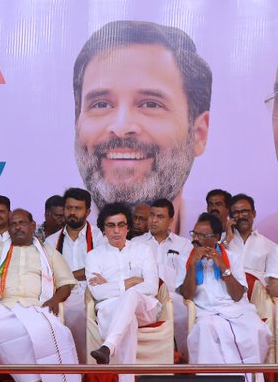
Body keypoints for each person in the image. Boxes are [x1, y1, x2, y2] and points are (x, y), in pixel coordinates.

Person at [72, 20, 212, 235]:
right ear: (77, 122)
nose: (121, 127)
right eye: (101, 104)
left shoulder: (211, 239)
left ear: (198, 134)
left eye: (150, 104)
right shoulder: (55, 244)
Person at [0, 209, 81, 382]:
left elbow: (66, 284)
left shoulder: (48, 253)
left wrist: (55, 300)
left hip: (36, 306)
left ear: (32, 225)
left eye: (22, 223)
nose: (17, 227)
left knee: (51, 330)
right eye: (13, 224)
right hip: (1, 306)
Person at [180, 213, 271, 382]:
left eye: (203, 236)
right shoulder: (186, 258)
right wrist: (192, 266)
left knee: (256, 330)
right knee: (205, 331)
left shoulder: (232, 257)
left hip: (237, 309)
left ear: (216, 237)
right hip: (206, 312)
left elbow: (237, 295)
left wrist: (223, 267)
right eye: (195, 234)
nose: (196, 239)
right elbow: (187, 294)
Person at [86, 202, 161, 382]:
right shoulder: (94, 256)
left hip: (144, 307)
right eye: (111, 226)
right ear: (103, 229)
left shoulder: (143, 250)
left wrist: (111, 285)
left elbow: (152, 287)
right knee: (129, 320)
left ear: (128, 227)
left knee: (131, 298)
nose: (116, 230)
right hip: (110, 308)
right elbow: (97, 292)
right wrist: (131, 281)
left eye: (121, 225)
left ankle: (108, 347)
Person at [53, 187, 105, 363]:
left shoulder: (100, 238)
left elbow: (97, 270)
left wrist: (66, 275)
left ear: (88, 212)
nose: (72, 212)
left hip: (91, 292)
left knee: (80, 313)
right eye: (68, 208)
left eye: (77, 208)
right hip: (60, 292)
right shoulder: (51, 241)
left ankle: (83, 372)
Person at [143, 198, 193, 356]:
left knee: (185, 312)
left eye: (160, 216)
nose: (154, 220)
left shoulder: (184, 245)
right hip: (145, 296)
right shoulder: (136, 243)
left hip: (175, 296)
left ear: (171, 220)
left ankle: (185, 363)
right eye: (152, 215)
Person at [225, 194, 278, 293]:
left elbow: (273, 284)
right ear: (230, 217)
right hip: (227, 295)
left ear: (254, 213)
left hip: (256, 297)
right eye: (236, 213)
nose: (241, 216)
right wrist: (227, 239)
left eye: (245, 211)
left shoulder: (270, 246)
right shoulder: (221, 240)